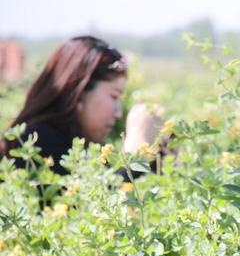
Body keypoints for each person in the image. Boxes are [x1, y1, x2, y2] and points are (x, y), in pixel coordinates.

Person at [0, 35, 163, 176]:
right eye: (113, 96)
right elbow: (97, 206)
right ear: (79, 93)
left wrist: (158, 162)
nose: (118, 113)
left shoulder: (79, 142)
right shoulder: (37, 140)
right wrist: (136, 150)